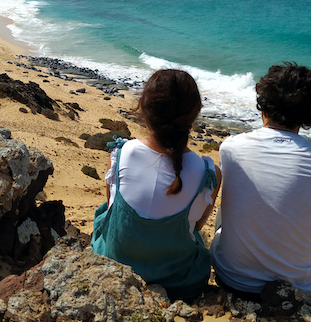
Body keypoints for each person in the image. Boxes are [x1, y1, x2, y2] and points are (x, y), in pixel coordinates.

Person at [210, 62, 311, 310]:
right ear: (309, 115)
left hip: (231, 279)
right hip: (301, 288)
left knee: (230, 207)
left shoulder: (231, 147)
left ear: (263, 106)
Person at [91, 69, 221, 301]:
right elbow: (197, 227)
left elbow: (112, 207)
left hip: (115, 267)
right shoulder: (209, 174)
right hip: (180, 283)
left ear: (144, 109)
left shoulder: (122, 153)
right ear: (195, 115)